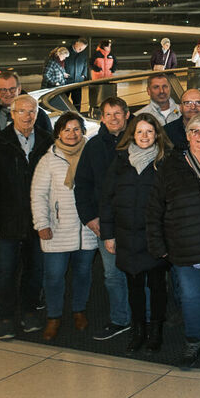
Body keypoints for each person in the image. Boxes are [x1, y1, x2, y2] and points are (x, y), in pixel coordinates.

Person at [146, 114, 200, 368]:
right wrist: (159, 246)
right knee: (191, 298)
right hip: (184, 249)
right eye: (196, 131)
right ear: (186, 135)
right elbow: (154, 209)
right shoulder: (171, 166)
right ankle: (193, 341)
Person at [0, 94, 52, 340]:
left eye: (32, 111)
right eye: (22, 111)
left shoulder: (47, 141)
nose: (27, 116)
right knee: (7, 271)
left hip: (37, 221)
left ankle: (29, 311)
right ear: (12, 114)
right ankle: (6, 317)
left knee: (35, 270)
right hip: (5, 222)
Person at [100, 113, 173, 353]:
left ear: (157, 135)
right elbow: (107, 200)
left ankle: (156, 330)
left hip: (155, 238)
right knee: (134, 287)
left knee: (157, 286)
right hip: (126, 237)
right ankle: (138, 329)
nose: (144, 136)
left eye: (149, 132)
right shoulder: (120, 161)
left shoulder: (165, 162)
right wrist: (108, 235)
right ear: (132, 134)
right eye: (140, 131)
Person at [30, 113, 98, 341]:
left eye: (76, 129)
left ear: (83, 131)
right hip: (56, 230)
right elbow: (38, 194)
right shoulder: (48, 160)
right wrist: (41, 223)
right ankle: (54, 316)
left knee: (83, 273)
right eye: (67, 129)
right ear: (58, 132)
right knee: (54, 276)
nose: (72, 134)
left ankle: (79, 310)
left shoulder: (91, 155)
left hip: (87, 229)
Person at [73, 96, 133, 342]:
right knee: (112, 275)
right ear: (101, 118)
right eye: (108, 115)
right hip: (105, 225)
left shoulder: (139, 140)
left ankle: (147, 318)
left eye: (118, 113)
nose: (113, 119)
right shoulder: (94, 146)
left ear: (127, 115)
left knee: (142, 274)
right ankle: (121, 319)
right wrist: (89, 218)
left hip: (136, 223)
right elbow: (83, 185)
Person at [64, 38, 90, 111]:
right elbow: (61, 63)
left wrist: (84, 75)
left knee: (77, 101)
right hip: (67, 81)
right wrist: (63, 73)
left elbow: (85, 64)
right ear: (76, 43)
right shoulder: (66, 51)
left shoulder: (83, 54)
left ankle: (77, 116)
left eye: (83, 48)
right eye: (80, 47)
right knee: (64, 101)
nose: (81, 49)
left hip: (78, 81)